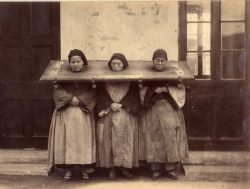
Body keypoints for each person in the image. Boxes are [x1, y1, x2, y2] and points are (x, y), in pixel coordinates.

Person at [139, 49, 189, 180]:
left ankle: (170, 169)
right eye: (157, 60)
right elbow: (141, 89)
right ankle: (156, 169)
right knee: (153, 137)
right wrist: (152, 90)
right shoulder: (146, 75)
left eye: (162, 60)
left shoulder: (173, 75)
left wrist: (168, 89)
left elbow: (180, 88)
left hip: (169, 109)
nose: (160, 63)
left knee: (171, 137)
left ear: (166, 62)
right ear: (153, 61)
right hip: (153, 109)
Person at [47, 49, 97, 181]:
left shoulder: (91, 77)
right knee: (66, 140)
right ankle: (67, 169)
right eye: (72, 62)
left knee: (83, 141)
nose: (75, 64)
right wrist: (70, 99)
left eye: (78, 61)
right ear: (69, 63)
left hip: (83, 114)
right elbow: (57, 92)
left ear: (83, 62)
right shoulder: (61, 77)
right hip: (66, 113)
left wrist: (79, 100)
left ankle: (84, 169)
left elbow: (93, 93)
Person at [96, 53, 141, 180]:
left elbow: (134, 95)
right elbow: (100, 94)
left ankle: (124, 167)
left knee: (124, 141)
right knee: (109, 141)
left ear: (124, 65)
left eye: (119, 63)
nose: (116, 66)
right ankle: (111, 169)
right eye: (113, 64)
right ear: (110, 65)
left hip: (125, 114)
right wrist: (110, 105)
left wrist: (122, 104)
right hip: (108, 114)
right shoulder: (103, 80)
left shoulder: (131, 81)